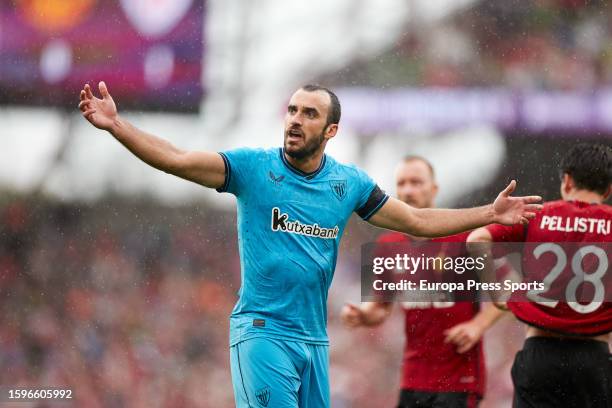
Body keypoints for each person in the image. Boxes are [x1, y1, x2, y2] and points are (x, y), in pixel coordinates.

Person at [78, 81, 541, 407]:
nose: (296, 120)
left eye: (309, 114)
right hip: (262, 333)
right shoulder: (252, 169)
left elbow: (417, 219)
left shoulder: (348, 184)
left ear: (331, 131)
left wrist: (489, 213)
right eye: (292, 111)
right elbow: (179, 159)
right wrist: (119, 127)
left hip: (314, 341)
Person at [341, 156, 504, 408]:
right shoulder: (386, 247)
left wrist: (478, 325)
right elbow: (380, 307)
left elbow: (508, 292)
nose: (408, 190)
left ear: (434, 189)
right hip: (413, 377)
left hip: (459, 377)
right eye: (402, 183)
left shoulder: (465, 238)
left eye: (416, 182)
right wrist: (363, 315)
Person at [467, 143, 612, 408]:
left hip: (540, 353)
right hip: (594, 358)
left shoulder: (538, 215)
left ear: (567, 180)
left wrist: (496, 292)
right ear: (608, 189)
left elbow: (477, 240)